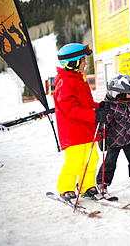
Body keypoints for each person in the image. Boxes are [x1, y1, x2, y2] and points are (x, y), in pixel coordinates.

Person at [54, 43, 108, 202]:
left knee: (91, 160)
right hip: (73, 132)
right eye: (83, 60)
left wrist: (99, 107)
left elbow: (85, 104)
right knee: (75, 162)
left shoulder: (79, 79)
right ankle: (66, 188)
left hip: (86, 129)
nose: (85, 63)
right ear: (73, 63)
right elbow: (70, 109)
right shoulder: (64, 82)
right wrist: (94, 114)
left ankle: (87, 186)